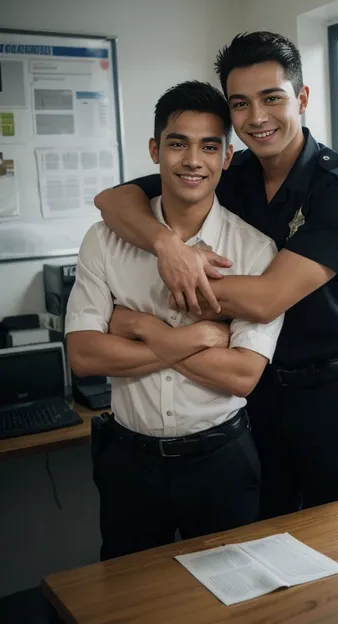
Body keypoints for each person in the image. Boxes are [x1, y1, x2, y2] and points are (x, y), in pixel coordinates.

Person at [95, 31, 338, 519]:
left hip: (333, 394)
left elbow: (265, 300)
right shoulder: (231, 169)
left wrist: (143, 316)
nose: (256, 118)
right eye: (240, 103)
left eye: (272, 98)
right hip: (258, 391)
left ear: (302, 98)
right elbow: (113, 200)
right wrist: (167, 246)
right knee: (263, 538)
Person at [65, 80, 284, 560]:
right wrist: (198, 339)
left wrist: (145, 329)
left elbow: (243, 375)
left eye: (209, 147)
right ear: (154, 150)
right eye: (177, 143)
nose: (192, 161)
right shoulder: (104, 240)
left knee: (233, 599)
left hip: (222, 459)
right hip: (129, 462)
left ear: (227, 157)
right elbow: (83, 356)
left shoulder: (254, 249)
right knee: (130, 598)